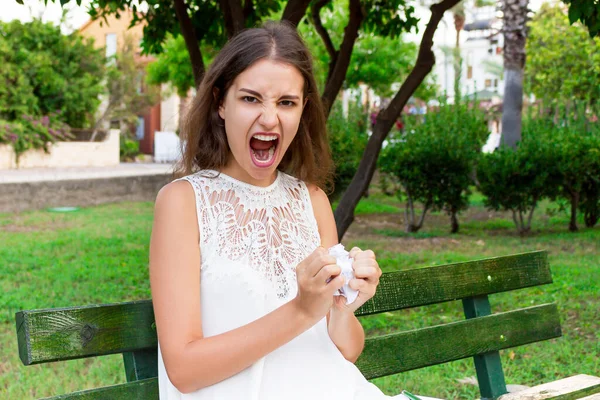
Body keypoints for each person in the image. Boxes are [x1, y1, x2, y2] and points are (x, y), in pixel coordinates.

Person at [149, 21, 437, 400]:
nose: (270, 119)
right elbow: (184, 370)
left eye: (286, 102)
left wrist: (343, 305)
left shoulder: (312, 201)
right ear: (221, 102)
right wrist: (301, 311)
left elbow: (345, 351)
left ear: (303, 110)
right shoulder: (182, 202)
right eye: (251, 99)